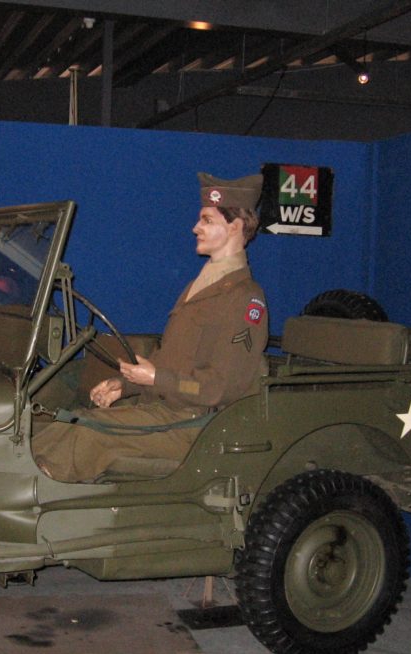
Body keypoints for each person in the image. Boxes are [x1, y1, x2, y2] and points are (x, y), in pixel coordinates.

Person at [32, 172, 269, 483]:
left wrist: (156, 378)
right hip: (167, 412)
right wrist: (125, 384)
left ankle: (32, 500)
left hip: (195, 425)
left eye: (206, 220)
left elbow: (218, 389)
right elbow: (171, 357)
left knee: (87, 435)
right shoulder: (204, 284)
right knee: (66, 422)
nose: (195, 228)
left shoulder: (244, 298)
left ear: (235, 227)